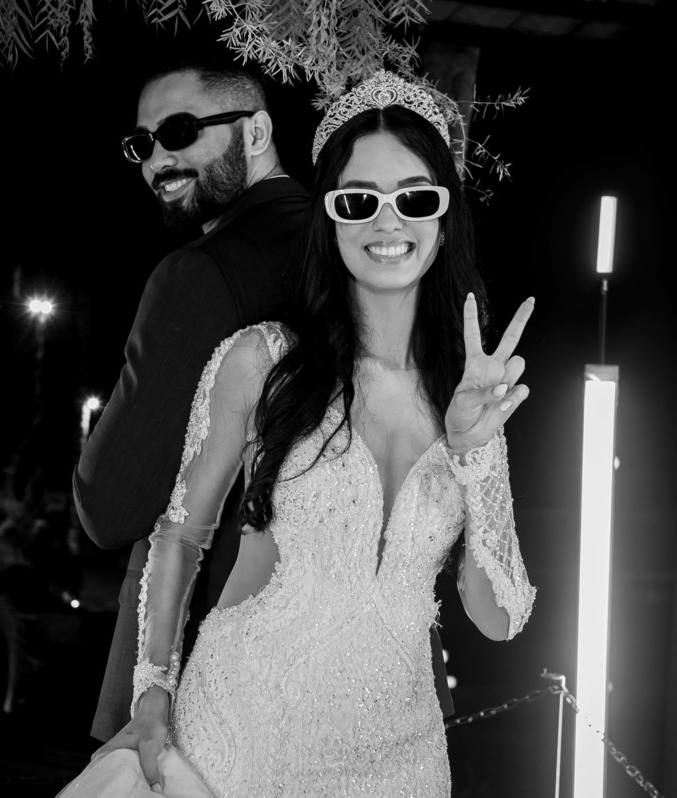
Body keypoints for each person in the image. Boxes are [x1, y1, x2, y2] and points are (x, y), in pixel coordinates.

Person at [60, 71, 537, 797]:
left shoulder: (468, 398)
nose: (387, 223)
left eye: (415, 199)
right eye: (358, 201)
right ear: (331, 219)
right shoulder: (262, 361)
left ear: (443, 221)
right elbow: (180, 534)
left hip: (403, 763)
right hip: (238, 742)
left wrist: (477, 453)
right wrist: (152, 691)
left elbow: (498, 619)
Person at [73, 58, 311, 743]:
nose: (157, 160)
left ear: (257, 131)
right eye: (140, 144)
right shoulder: (355, 249)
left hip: (198, 670)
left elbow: (110, 506)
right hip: (348, 668)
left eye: (179, 131)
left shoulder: (200, 275)